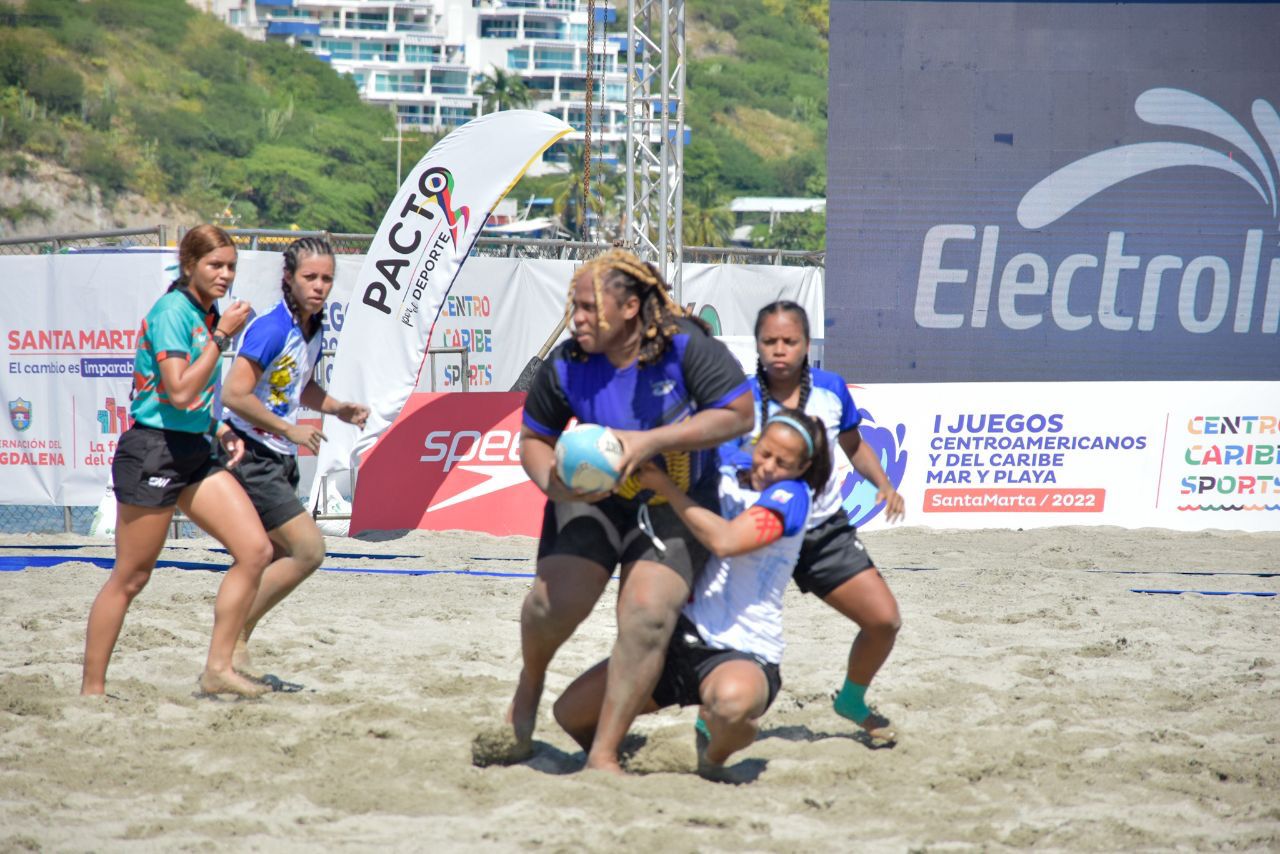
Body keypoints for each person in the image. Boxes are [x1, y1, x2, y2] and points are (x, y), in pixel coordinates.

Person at [490, 248, 754, 774]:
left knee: (647, 617)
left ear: (631, 307)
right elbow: (533, 440)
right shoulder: (567, 364)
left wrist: (651, 440)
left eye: (589, 306)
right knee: (553, 605)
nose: (577, 317)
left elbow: (740, 414)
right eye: (575, 305)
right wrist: (554, 484)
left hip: (672, 500)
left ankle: (604, 754)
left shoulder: (686, 348)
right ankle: (531, 683)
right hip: (591, 498)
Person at [553, 409, 831, 780]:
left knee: (731, 709)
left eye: (783, 462)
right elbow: (686, 432)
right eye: (764, 453)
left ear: (804, 466)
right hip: (674, 644)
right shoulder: (730, 468)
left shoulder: (792, 494)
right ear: (756, 443)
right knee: (569, 714)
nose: (768, 466)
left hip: (741, 648)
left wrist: (665, 487)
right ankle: (631, 757)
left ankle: (715, 757)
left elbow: (727, 540)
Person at [82, 225, 273, 698]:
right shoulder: (174, 312)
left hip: (192, 450)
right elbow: (181, 388)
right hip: (153, 449)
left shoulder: (204, 314)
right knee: (131, 578)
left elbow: (194, 400)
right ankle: (92, 690)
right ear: (189, 265)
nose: (226, 275)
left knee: (256, 551)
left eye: (231, 266)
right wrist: (224, 335)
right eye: (215, 265)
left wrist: (219, 428)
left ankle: (218, 668)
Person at [746, 300, 906, 744]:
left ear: (806, 343)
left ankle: (851, 700)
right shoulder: (738, 396)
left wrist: (883, 484)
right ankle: (713, 719)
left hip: (822, 531)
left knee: (884, 620)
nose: (780, 350)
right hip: (757, 533)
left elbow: (854, 446)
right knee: (739, 642)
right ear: (757, 345)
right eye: (770, 341)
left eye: (790, 341)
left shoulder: (831, 389)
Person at [217, 237, 369, 679]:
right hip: (250, 454)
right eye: (310, 277)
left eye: (327, 278)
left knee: (261, 558)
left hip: (277, 455)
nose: (320, 286)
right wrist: (289, 429)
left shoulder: (312, 327)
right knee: (308, 550)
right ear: (288, 278)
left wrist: (337, 407)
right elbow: (233, 393)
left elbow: (296, 385)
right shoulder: (270, 327)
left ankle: (230, 651)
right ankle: (233, 640)